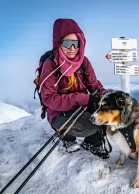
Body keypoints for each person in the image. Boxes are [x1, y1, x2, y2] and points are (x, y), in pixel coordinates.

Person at [38, 18, 110, 159]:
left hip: (81, 106)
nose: (72, 48)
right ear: (59, 43)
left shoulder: (83, 61)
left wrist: (107, 96)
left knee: (105, 116)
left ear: (81, 43)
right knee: (90, 126)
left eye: (75, 43)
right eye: (67, 43)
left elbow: (94, 84)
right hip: (59, 112)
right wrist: (82, 99)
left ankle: (92, 143)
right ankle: (67, 138)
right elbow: (49, 99)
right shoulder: (51, 65)